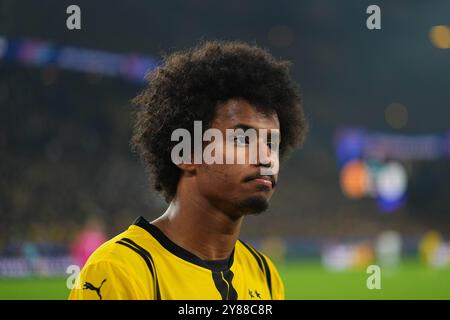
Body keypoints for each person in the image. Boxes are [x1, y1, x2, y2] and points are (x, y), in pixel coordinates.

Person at [69, 40, 308, 300]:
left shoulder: (265, 275)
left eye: (272, 143)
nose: (266, 157)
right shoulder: (118, 272)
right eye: (243, 139)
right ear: (186, 153)